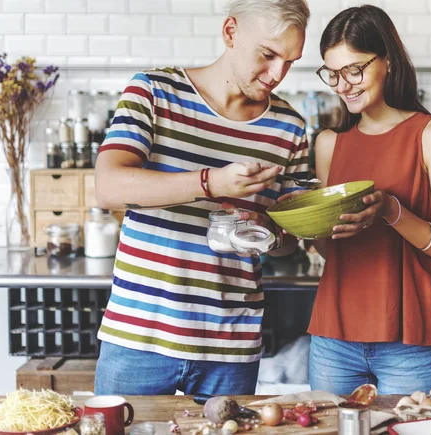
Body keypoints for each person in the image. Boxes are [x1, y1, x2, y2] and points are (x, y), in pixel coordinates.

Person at [93, 0, 310, 396]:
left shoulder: (289, 127)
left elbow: (288, 243)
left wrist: (268, 231)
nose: (278, 74)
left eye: (291, 61)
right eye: (268, 54)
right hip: (139, 337)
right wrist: (211, 182)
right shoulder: (154, 92)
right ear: (230, 32)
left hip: (231, 348)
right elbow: (109, 187)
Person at [306, 5, 431, 395]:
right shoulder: (329, 144)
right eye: (332, 73)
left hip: (412, 341)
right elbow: (333, 250)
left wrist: (393, 211)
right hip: (334, 339)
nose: (343, 84)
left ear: (389, 62)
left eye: (354, 69)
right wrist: (307, 224)